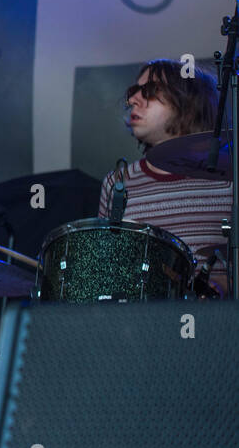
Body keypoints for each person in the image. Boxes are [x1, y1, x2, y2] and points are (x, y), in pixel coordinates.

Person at [98, 59, 231, 296]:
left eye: (149, 91)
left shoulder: (229, 179)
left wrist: (226, 283)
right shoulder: (118, 182)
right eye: (133, 92)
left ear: (187, 103)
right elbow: (106, 271)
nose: (132, 100)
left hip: (213, 323)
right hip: (136, 324)